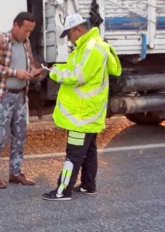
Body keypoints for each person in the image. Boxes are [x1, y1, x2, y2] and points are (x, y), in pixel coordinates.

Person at [42, 13, 122, 201]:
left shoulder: (90, 49)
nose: (69, 39)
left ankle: (62, 191)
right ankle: (88, 185)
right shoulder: (89, 46)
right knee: (89, 151)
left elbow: (76, 76)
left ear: (77, 30)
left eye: (69, 35)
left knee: (74, 154)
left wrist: (53, 71)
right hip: (89, 112)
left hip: (82, 114)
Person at [0, 11, 45, 189]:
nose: (28, 35)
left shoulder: (25, 43)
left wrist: (33, 72)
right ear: (15, 25)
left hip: (20, 94)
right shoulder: (0, 41)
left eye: (30, 31)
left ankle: (15, 172)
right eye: (25, 30)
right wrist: (15, 72)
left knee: (20, 134)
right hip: (2, 95)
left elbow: (29, 62)